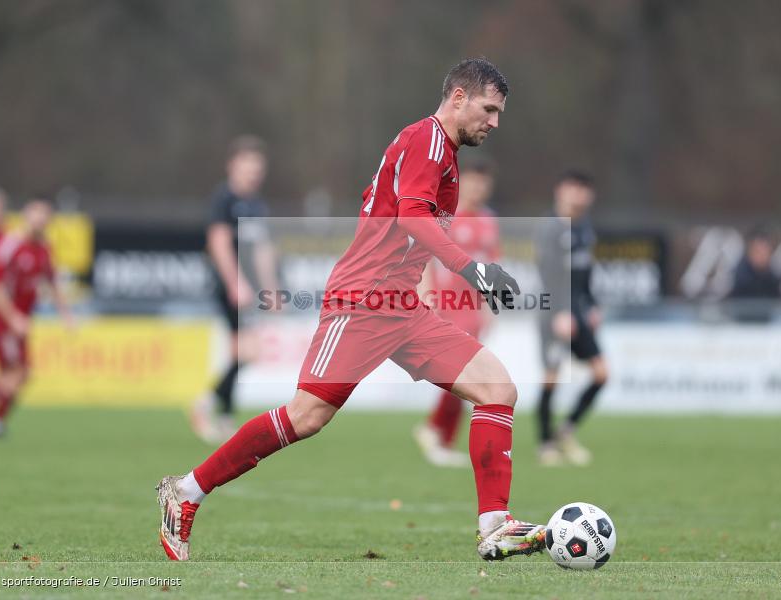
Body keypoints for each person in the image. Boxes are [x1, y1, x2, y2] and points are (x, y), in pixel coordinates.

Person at [157, 58, 548, 562]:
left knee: (498, 387)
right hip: (363, 300)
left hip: (401, 305)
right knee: (306, 416)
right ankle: (186, 491)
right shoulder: (427, 141)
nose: (495, 122)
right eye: (489, 109)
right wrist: (473, 271)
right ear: (458, 98)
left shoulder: (443, 153)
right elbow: (411, 218)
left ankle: (495, 525)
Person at [0, 198, 73, 437]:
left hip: (19, 320)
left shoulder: (44, 248)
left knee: (18, 374)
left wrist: (66, 315)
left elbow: (53, 281)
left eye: (44, 217)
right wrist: (13, 319)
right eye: (35, 216)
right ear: (26, 217)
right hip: (1, 317)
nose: (40, 222)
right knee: (17, 373)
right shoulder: (11, 245)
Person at [190, 135, 280, 444]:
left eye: (258, 167)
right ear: (233, 166)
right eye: (248, 166)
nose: (254, 172)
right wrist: (234, 282)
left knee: (245, 352)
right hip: (229, 285)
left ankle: (224, 414)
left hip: (248, 287)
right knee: (246, 350)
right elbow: (218, 242)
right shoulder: (224, 198)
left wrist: (270, 288)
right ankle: (207, 404)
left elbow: (262, 250)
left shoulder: (256, 204)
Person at [413, 157, 500, 467]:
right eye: (474, 181)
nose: (479, 188)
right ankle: (434, 429)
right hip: (448, 306)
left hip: (473, 308)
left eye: (484, 182)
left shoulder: (489, 219)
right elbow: (423, 255)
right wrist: (426, 293)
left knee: (465, 376)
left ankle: (439, 435)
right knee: (462, 375)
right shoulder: (447, 215)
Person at [535, 170, 608, 466]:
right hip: (555, 310)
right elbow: (548, 274)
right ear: (560, 191)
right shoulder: (550, 228)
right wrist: (560, 311)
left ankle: (566, 431)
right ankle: (545, 443)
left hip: (578, 309)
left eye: (584, 189)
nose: (579, 195)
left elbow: (586, 272)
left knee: (601, 374)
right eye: (573, 188)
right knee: (552, 377)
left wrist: (591, 305)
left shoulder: (585, 228)